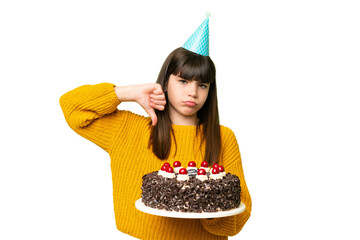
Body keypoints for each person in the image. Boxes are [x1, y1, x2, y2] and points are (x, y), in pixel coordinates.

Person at [60, 15, 251, 240]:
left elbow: (240, 215)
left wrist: (206, 205)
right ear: (165, 83)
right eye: (183, 81)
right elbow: (72, 107)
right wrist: (127, 93)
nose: (193, 92)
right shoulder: (128, 129)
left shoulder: (222, 137)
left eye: (202, 84)